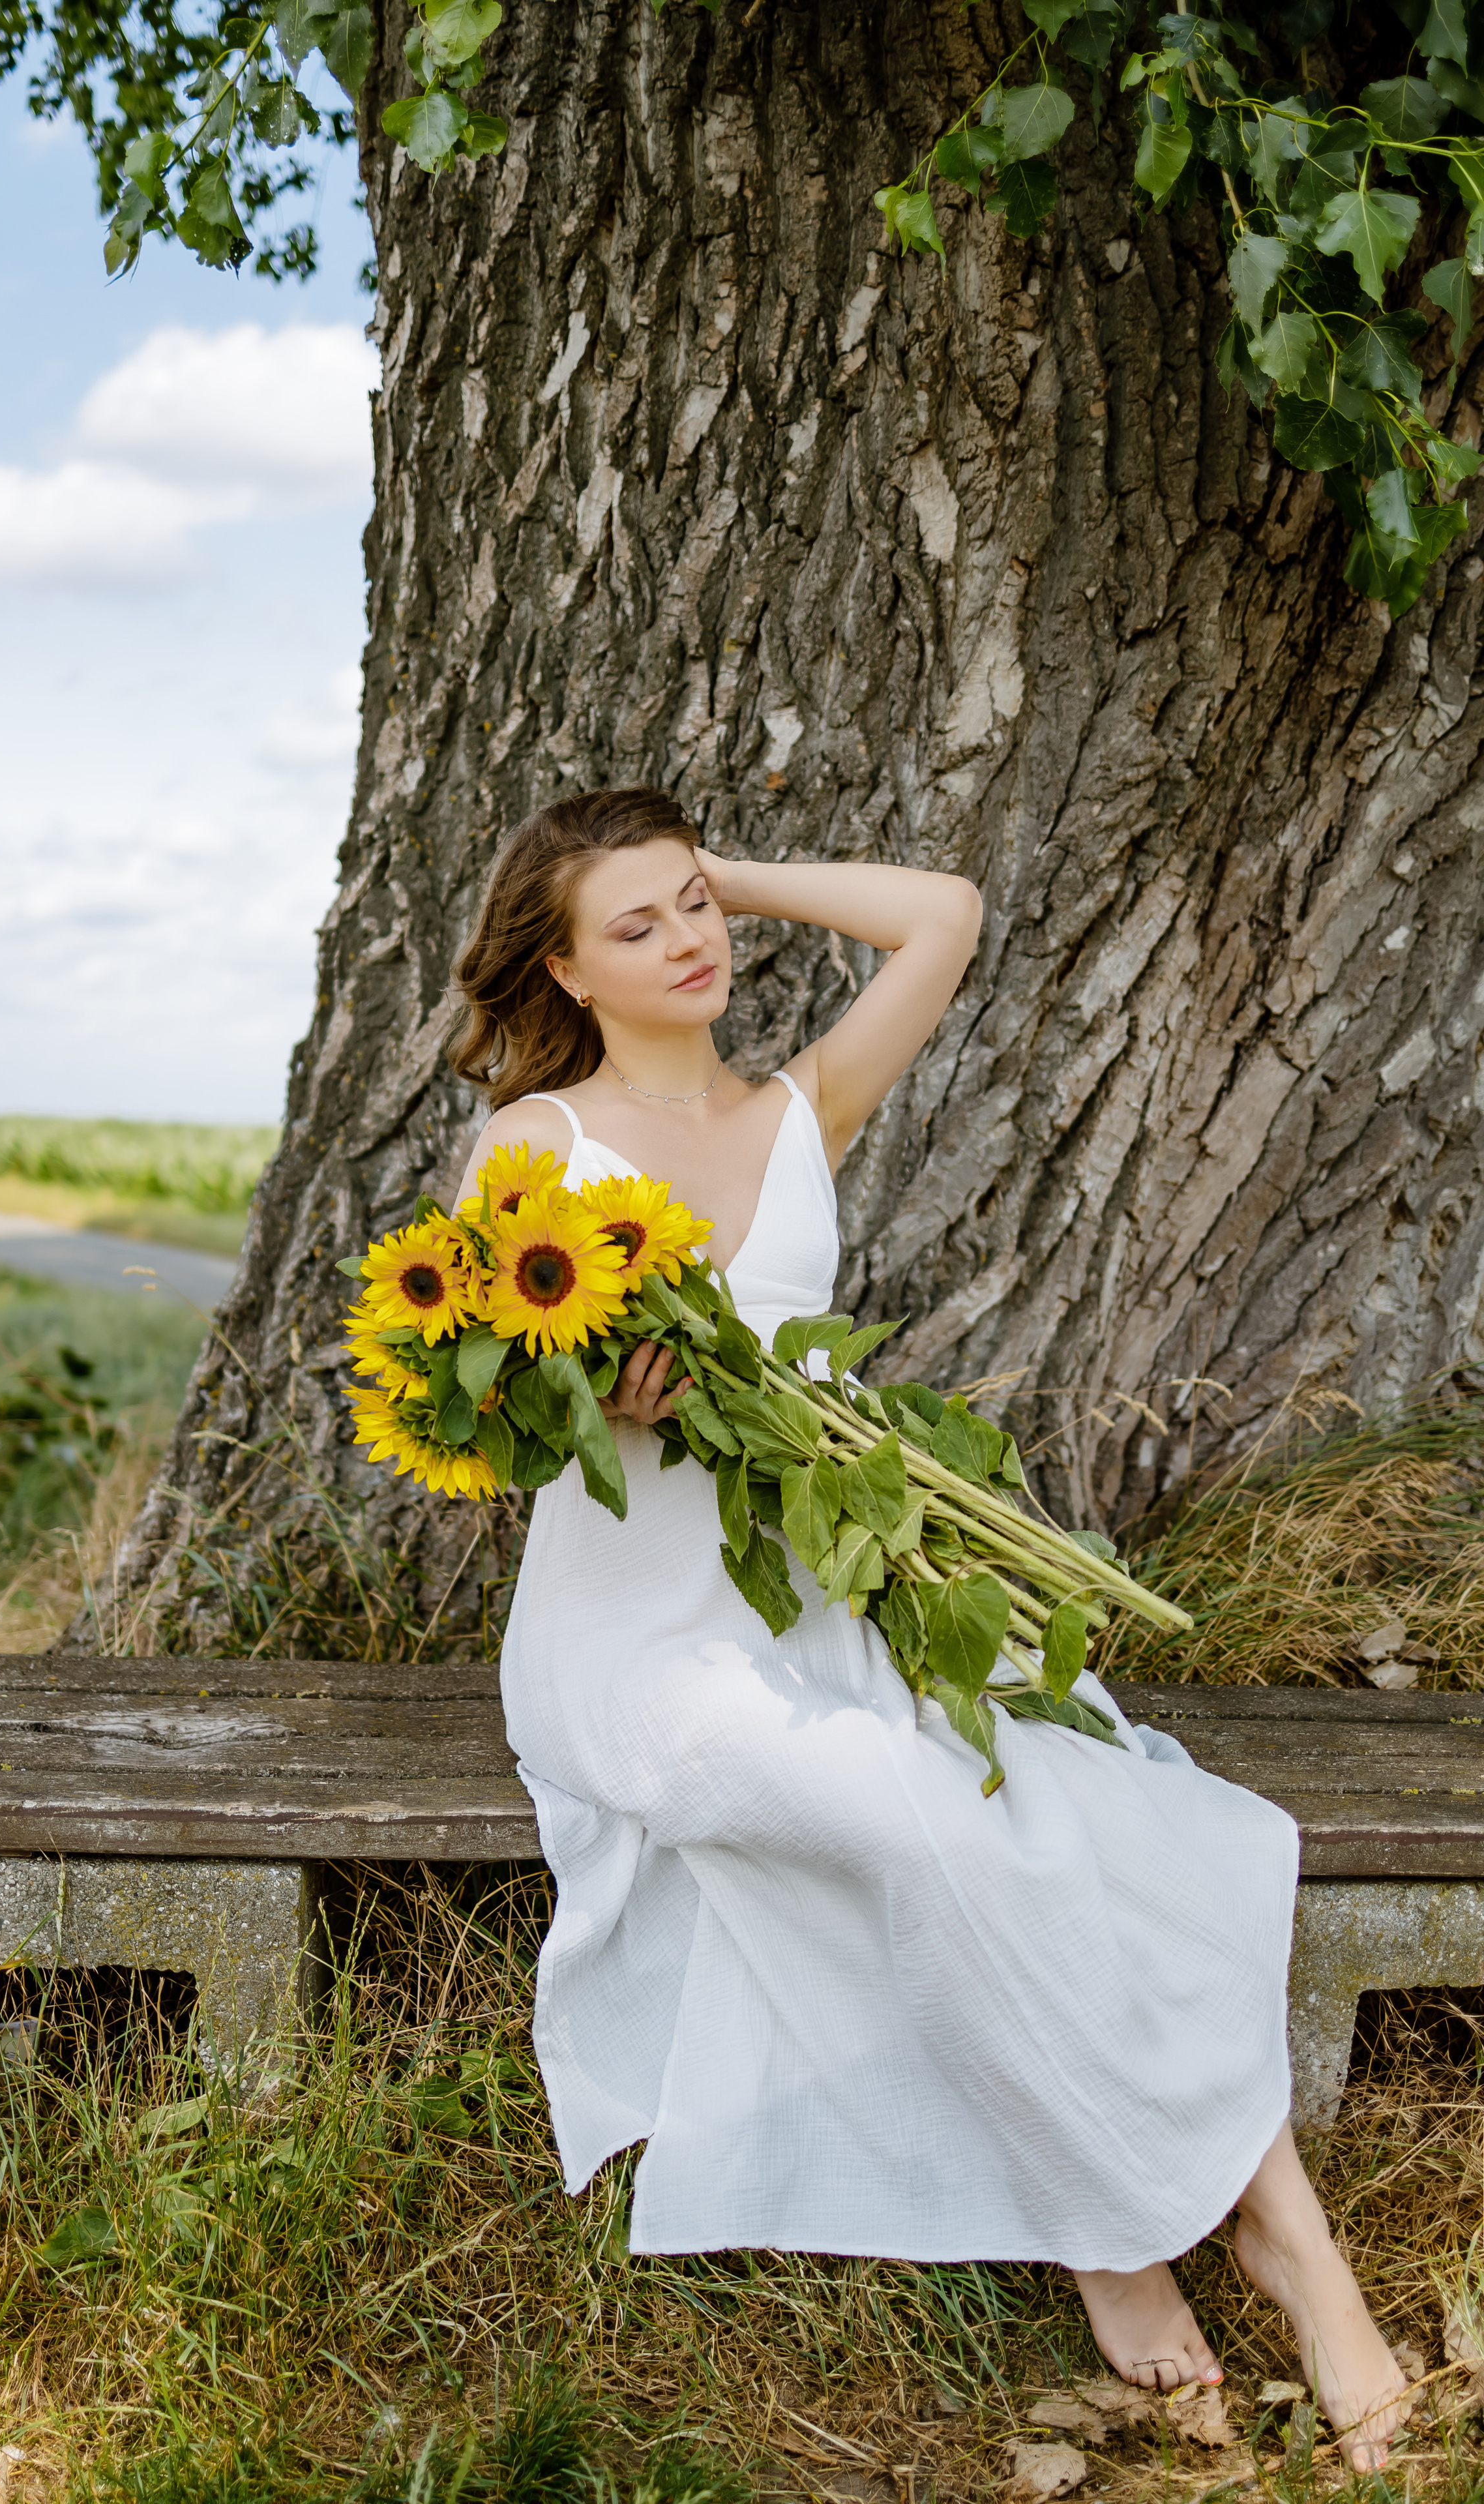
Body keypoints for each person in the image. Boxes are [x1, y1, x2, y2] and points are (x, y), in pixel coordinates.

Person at [448, 786, 1411, 2473]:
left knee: (1086, 1805)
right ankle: (1110, 2230)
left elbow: (943, 909)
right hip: (640, 1655)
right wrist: (613, 1410)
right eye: (640, 925)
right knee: (932, 1827)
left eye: (699, 908)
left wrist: (702, 860)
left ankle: (1294, 2249)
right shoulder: (538, 1150)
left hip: (829, 1598)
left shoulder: (797, 1110)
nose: (692, 941)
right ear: (563, 968)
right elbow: (492, 1436)